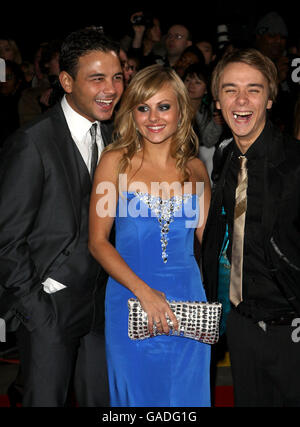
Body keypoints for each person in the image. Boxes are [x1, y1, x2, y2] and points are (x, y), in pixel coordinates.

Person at [0, 27, 124, 407]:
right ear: (67, 81)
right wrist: (37, 312)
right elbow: (6, 240)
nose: (112, 88)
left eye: (117, 77)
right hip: (49, 311)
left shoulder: (115, 135)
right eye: (97, 78)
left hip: (101, 309)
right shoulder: (31, 143)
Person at [88, 64, 211, 407]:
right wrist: (145, 293)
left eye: (164, 106)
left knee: (186, 401)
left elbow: (212, 242)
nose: (153, 117)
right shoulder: (115, 162)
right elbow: (97, 242)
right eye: (143, 107)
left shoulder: (196, 169)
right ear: (132, 112)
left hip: (189, 302)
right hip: (129, 298)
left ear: (181, 110)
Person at [202, 48, 300, 407]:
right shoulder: (225, 158)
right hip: (242, 324)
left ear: (271, 99)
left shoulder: (294, 163)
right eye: (230, 89)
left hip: (291, 326)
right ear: (217, 100)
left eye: (254, 89)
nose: (241, 100)